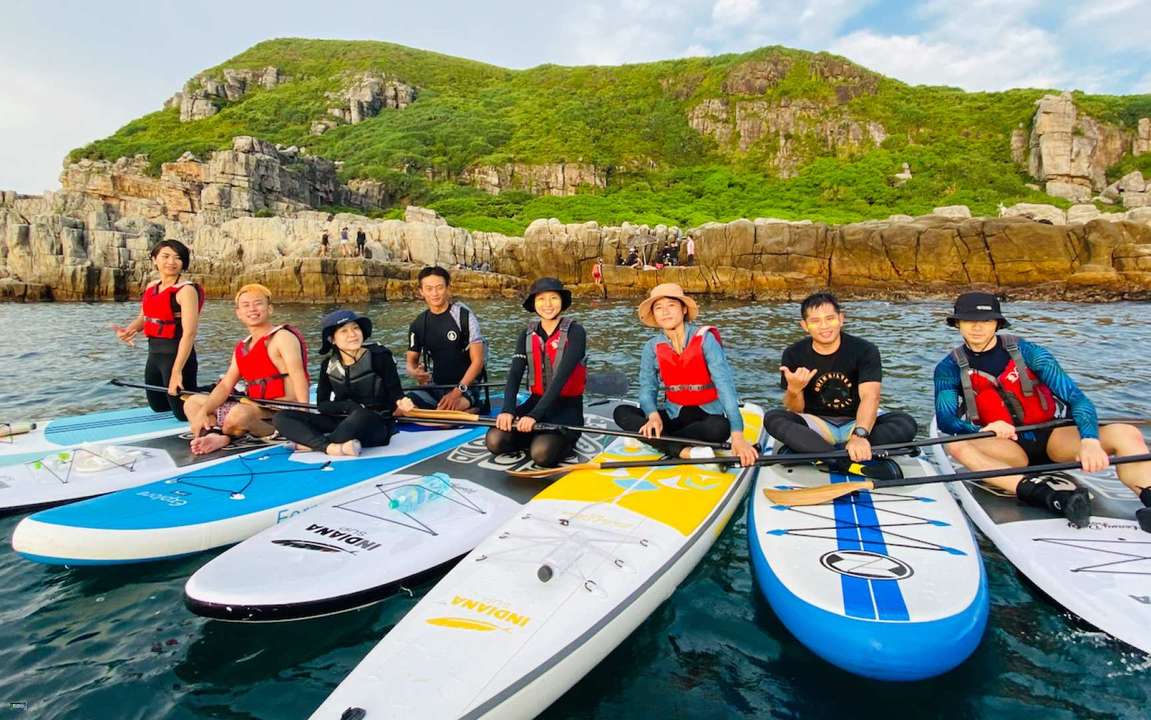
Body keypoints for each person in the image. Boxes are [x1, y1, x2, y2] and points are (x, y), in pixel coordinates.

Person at [934, 292, 1151, 529]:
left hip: (1053, 439)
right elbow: (946, 420)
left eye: (985, 320)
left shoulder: (1029, 352)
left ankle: (1148, 497)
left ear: (997, 323)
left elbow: (1077, 399)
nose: (977, 327)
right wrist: (982, 428)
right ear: (957, 324)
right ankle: (1046, 496)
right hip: (1006, 446)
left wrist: (1090, 440)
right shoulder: (948, 368)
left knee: (1126, 433)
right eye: (968, 320)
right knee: (956, 444)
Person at [763, 291, 917, 467]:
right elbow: (796, 409)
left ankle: (814, 452)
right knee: (773, 418)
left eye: (830, 318)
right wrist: (794, 389)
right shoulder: (793, 354)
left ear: (841, 318)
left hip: (857, 422)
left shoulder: (865, 350)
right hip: (818, 425)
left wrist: (860, 436)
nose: (824, 326)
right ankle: (842, 459)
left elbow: (870, 397)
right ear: (804, 325)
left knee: (905, 423)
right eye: (815, 321)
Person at [613, 283, 758, 467]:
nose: (665, 312)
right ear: (655, 316)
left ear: (683, 309)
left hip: (706, 417)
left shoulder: (705, 339)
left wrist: (738, 436)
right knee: (621, 412)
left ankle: (655, 441)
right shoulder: (651, 347)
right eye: (659, 308)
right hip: (676, 417)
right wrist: (653, 416)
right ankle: (683, 451)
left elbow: (725, 386)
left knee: (720, 428)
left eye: (671, 305)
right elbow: (647, 389)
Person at [183, 284, 310, 455]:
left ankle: (227, 435)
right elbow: (226, 385)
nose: (252, 309)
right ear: (238, 313)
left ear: (269, 309)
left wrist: (304, 414)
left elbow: (298, 375)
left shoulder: (282, 337)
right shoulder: (243, 347)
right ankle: (216, 434)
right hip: (255, 405)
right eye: (246, 305)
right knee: (192, 403)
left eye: (258, 303)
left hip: (281, 410)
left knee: (238, 415)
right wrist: (204, 411)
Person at [274, 310, 413, 457]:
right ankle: (330, 447)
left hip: (375, 423)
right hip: (342, 418)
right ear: (332, 339)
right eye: (344, 331)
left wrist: (402, 402)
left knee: (360, 416)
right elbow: (323, 404)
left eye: (355, 328)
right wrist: (349, 407)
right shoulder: (328, 364)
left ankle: (313, 443)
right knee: (281, 417)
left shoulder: (380, 357)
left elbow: (395, 393)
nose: (352, 334)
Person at [486, 278, 587, 468]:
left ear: (562, 301)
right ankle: (534, 435)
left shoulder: (576, 332)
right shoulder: (526, 333)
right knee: (495, 440)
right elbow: (515, 374)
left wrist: (534, 415)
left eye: (553, 298)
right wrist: (508, 410)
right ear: (533, 303)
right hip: (535, 402)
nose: (547, 305)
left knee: (541, 454)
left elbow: (561, 378)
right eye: (541, 299)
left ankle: (555, 439)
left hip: (566, 408)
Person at [112, 239, 204, 421]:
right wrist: (129, 330)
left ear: (183, 262)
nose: (171, 262)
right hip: (154, 355)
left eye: (178, 258)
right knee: (159, 407)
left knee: (182, 414)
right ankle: (197, 390)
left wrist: (177, 372)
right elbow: (144, 318)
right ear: (155, 259)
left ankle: (217, 391)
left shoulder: (186, 291)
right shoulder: (151, 287)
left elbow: (189, 333)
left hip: (177, 355)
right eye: (166, 256)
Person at [405, 266, 487, 412]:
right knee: (401, 408)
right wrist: (415, 372)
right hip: (436, 387)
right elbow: (411, 362)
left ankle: (474, 407)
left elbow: (478, 361)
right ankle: (445, 413)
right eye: (429, 289)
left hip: (466, 387)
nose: (435, 293)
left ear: (448, 288)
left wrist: (457, 392)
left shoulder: (464, 317)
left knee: (444, 417)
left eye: (439, 287)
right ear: (421, 291)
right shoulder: (418, 324)